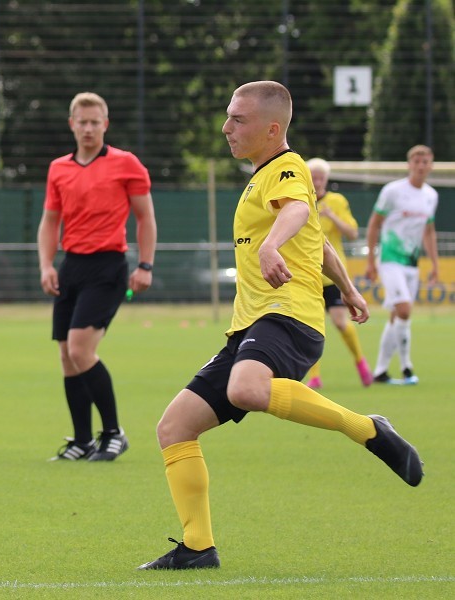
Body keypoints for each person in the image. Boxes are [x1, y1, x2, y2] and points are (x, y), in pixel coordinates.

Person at [138, 81, 423, 571]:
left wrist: (271, 246)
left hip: (286, 315)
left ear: (272, 129)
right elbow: (318, 239)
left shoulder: (287, 168)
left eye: (238, 120)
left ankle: (368, 429)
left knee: (248, 388)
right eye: (228, 117)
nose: (226, 127)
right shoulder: (263, 176)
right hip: (251, 325)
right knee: (174, 427)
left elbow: (295, 211)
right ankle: (198, 548)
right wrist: (350, 289)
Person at [37, 92, 157, 462]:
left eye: (95, 122)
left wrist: (145, 265)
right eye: (82, 122)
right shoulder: (59, 168)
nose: (88, 128)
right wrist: (46, 264)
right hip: (71, 266)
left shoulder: (127, 164)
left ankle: (113, 433)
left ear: (105, 125)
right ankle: (82, 440)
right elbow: (50, 221)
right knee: (66, 355)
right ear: (72, 124)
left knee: (80, 349)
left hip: (108, 266)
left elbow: (145, 218)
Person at [365, 145, 439, 385]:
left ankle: (380, 371)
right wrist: (370, 261)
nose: (420, 165)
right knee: (405, 310)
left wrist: (435, 264)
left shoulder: (431, 195)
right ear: (409, 164)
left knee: (397, 315)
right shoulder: (393, 191)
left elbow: (429, 231)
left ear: (431, 165)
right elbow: (374, 223)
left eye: (425, 161)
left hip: (411, 262)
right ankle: (407, 367)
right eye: (416, 161)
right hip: (389, 258)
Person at [303, 158, 373, 389]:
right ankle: (314, 376)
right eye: (314, 176)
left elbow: (352, 232)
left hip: (332, 274)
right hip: (307, 274)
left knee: (341, 323)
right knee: (310, 326)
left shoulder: (336, 201)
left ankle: (361, 363)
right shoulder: (300, 200)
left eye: (321, 177)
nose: (318, 181)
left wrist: (332, 217)